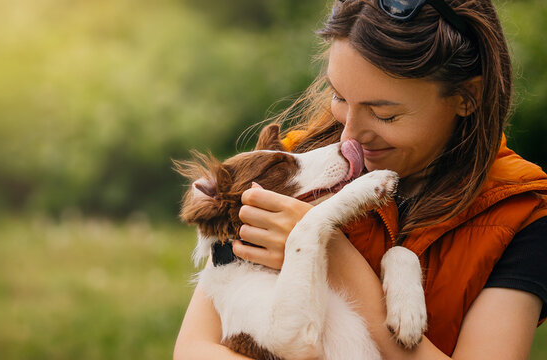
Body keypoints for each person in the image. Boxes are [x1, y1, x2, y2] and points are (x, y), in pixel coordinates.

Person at [173, 0, 547, 359]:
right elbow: (193, 350)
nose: (348, 137)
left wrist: (333, 253)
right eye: (339, 96)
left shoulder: (522, 213)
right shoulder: (294, 171)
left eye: (384, 114)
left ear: (467, 96)